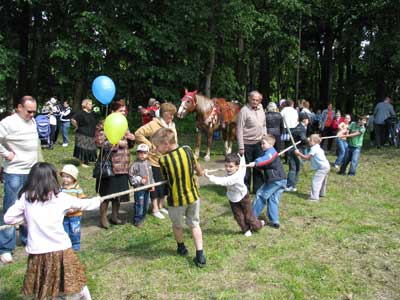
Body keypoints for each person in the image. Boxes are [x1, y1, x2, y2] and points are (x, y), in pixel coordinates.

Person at [4, 162, 100, 299]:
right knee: (75, 279)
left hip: (39, 251)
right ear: (52, 178)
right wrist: (98, 200)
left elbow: (9, 218)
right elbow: (85, 204)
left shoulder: (26, 197)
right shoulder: (60, 197)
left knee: (44, 283)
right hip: (61, 248)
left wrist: (25, 220)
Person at [152, 127, 206, 267]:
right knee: (194, 224)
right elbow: (199, 172)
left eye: (158, 146)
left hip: (176, 200)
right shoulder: (188, 150)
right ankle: (200, 255)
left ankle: (181, 247)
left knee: (177, 225)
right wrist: (200, 172)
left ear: (166, 144)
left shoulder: (163, 160)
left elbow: (166, 178)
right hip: (193, 197)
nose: (157, 150)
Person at [0, 95, 39, 264]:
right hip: (15, 171)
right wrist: (5, 153)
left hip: (32, 171)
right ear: (19, 108)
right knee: (11, 208)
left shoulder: (33, 121)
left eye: (34, 112)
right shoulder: (7, 123)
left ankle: (26, 238)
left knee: (31, 205)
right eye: (29, 111)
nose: (32, 115)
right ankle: (6, 247)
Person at [95, 99, 135, 228]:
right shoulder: (103, 124)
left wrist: (131, 140)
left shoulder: (124, 124)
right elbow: (99, 143)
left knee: (118, 194)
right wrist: (118, 143)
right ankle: (103, 219)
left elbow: (129, 145)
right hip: (109, 165)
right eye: (120, 111)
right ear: (112, 111)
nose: (123, 113)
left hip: (122, 165)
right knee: (106, 194)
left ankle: (115, 216)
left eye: (125, 111)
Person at [135, 102, 178, 219]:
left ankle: (161, 205)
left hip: (168, 159)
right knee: (155, 185)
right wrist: (150, 145)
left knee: (165, 184)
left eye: (173, 115)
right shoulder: (154, 124)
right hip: (155, 160)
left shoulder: (172, 125)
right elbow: (138, 133)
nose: (172, 117)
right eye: (170, 114)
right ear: (164, 113)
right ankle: (154, 208)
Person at [204, 153, 264, 237]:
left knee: (249, 217)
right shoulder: (238, 168)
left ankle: (258, 225)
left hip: (243, 196)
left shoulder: (237, 175)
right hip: (233, 198)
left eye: (231, 166)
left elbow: (225, 181)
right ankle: (245, 229)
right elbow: (242, 158)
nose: (228, 168)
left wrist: (209, 177)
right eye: (226, 166)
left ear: (237, 167)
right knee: (238, 216)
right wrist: (240, 155)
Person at [249, 134, 287, 229]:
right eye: (261, 143)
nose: (262, 145)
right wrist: (257, 165)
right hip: (281, 180)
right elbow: (266, 164)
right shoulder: (269, 152)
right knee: (273, 199)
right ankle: (275, 221)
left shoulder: (271, 153)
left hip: (275, 181)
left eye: (263, 143)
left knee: (261, 195)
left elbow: (265, 160)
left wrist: (256, 162)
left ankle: (251, 218)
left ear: (271, 144)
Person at [236, 91, 266, 194]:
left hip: (259, 143)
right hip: (246, 144)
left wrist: (265, 138)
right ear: (249, 99)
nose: (255, 102)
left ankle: (258, 189)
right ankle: (245, 190)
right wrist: (241, 146)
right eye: (253, 99)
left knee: (258, 166)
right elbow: (239, 129)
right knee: (246, 169)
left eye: (257, 100)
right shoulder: (244, 111)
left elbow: (264, 125)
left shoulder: (261, 109)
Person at [294, 134, 330, 201]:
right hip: (326, 166)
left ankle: (314, 198)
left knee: (316, 182)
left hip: (322, 167)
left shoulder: (314, 148)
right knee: (322, 181)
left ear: (314, 142)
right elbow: (311, 158)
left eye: (310, 141)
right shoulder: (318, 147)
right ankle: (321, 193)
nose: (309, 142)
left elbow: (307, 158)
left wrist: (298, 154)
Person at [60, 164, 86, 251]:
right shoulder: (61, 189)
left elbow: (82, 201)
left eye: (67, 177)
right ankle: (67, 244)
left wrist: (75, 208)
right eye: (63, 176)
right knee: (65, 230)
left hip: (75, 214)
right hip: (64, 214)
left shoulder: (77, 188)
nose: (65, 179)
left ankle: (76, 244)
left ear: (73, 178)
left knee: (75, 230)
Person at [128, 143, 154, 227]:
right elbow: (131, 176)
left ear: (147, 154)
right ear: (137, 153)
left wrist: (152, 184)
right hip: (139, 188)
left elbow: (151, 175)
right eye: (140, 153)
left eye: (144, 153)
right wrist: (139, 180)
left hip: (147, 187)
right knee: (139, 203)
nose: (142, 155)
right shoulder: (135, 164)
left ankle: (143, 216)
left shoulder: (148, 163)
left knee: (146, 203)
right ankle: (137, 219)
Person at [286, 114, 310, 192]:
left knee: (296, 168)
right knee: (294, 168)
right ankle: (290, 185)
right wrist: (308, 140)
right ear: (304, 120)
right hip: (296, 150)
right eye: (307, 119)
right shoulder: (301, 128)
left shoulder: (299, 127)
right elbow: (303, 139)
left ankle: (293, 185)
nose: (308, 121)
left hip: (296, 149)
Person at [71, 99, 97, 167]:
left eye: (91, 104)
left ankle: (87, 160)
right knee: (82, 148)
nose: (91, 105)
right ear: (85, 105)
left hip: (91, 133)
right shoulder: (80, 113)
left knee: (90, 147)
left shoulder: (91, 113)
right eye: (90, 104)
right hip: (82, 133)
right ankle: (81, 162)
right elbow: (73, 119)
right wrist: (77, 126)